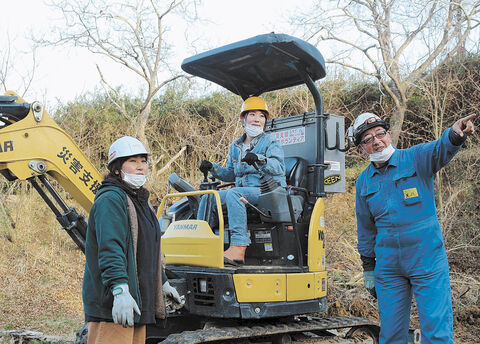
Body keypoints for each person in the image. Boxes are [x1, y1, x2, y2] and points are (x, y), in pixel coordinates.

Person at [353, 112, 476, 344]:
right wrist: (368, 266)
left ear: (389, 135)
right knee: (390, 335)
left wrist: (456, 135)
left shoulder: (416, 158)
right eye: (367, 139)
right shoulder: (363, 182)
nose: (376, 141)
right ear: (362, 149)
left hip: (426, 258)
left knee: (436, 330)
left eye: (380, 134)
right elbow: (365, 227)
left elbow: (441, 148)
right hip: (388, 267)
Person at [82, 136, 183, 344]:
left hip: (137, 303)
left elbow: (147, 250)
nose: (140, 167)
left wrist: (162, 282)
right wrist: (119, 291)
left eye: (143, 161)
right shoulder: (111, 199)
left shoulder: (141, 202)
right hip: (115, 305)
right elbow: (111, 249)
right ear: (117, 168)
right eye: (133, 161)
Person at [199, 96, 286, 264]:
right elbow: (231, 174)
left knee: (235, 194)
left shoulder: (270, 141)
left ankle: (238, 247)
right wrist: (213, 168)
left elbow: (279, 167)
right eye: (252, 114)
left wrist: (260, 159)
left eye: (261, 116)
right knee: (209, 197)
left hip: (267, 190)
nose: (257, 119)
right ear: (243, 118)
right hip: (244, 190)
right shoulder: (236, 146)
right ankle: (204, 242)